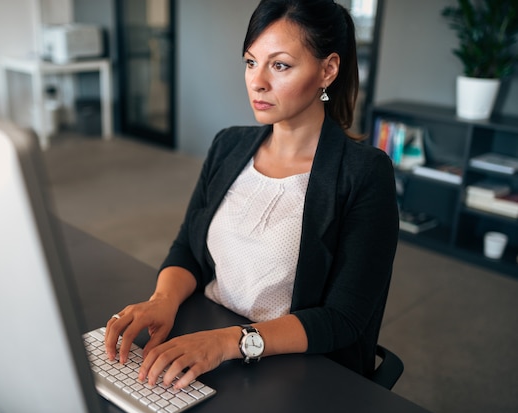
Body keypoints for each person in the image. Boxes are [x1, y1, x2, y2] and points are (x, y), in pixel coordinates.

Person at [105, 0, 399, 390]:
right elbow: (188, 249)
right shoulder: (228, 145)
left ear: (327, 70)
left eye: (280, 65)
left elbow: (343, 318)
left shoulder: (364, 173)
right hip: (207, 332)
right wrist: (163, 300)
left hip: (290, 364)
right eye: (250, 62)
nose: (257, 80)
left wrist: (229, 342)